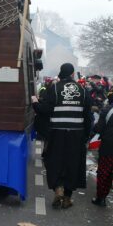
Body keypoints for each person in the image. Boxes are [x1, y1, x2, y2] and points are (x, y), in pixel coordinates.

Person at [31, 63, 92, 209]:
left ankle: (58, 188)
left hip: (57, 133)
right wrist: (86, 136)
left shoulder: (55, 89)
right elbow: (88, 116)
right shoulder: (83, 91)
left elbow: (45, 110)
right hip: (76, 134)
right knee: (73, 164)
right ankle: (67, 198)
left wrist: (35, 103)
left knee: (55, 161)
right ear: (72, 74)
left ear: (61, 73)